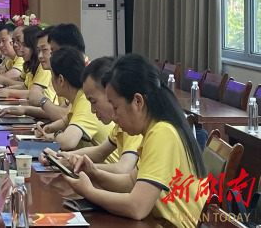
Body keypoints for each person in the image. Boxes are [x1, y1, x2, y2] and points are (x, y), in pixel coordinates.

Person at [63, 54, 207, 228]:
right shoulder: (153, 129)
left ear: (138, 101)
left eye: (116, 107)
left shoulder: (163, 133)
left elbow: (137, 207)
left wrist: (89, 192)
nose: (114, 117)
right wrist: (94, 173)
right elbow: (131, 183)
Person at [40, 57, 141, 173]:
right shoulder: (120, 123)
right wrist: (61, 157)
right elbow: (99, 152)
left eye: (94, 102)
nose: (92, 110)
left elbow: (123, 170)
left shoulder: (133, 124)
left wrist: (78, 164)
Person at [37, 46, 111, 150]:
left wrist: (53, 135)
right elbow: (66, 121)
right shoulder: (78, 98)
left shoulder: (86, 101)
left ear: (61, 80)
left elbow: (68, 142)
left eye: (52, 75)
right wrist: (48, 128)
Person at [0, 26, 68, 121]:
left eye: (45, 50)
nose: (20, 49)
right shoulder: (36, 65)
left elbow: (62, 115)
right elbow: (63, 115)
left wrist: (7, 90)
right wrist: (25, 109)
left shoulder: (46, 68)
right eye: (39, 50)